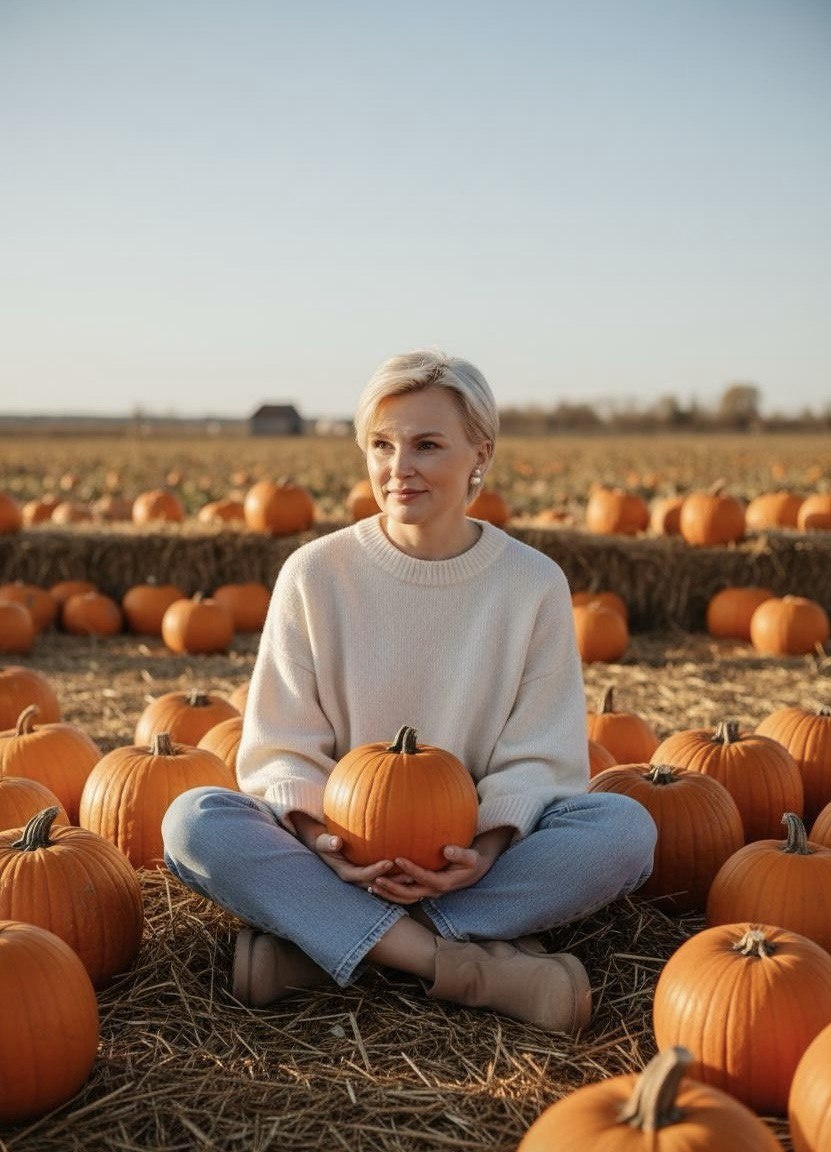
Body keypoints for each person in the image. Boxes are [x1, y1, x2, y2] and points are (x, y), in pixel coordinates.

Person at [162, 349, 656, 1033]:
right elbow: (280, 747)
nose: (399, 468)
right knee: (194, 821)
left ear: (480, 453)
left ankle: (322, 947)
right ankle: (459, 966)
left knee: (624, 830)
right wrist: (321, 841)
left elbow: (541, 757)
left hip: (471, 854)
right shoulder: (315, 574)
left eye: (426, 445)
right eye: (381, 445)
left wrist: (482, 851)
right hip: (335, 852)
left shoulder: (532, 583)